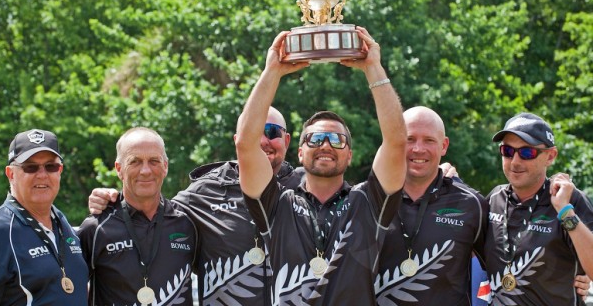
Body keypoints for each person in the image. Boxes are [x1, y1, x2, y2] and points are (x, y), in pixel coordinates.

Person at [235, 27, 406, 304]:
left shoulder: (369, 202)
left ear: (349, 155)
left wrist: (374, 68)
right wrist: (272, 72)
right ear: (300, 152)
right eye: (315, 138)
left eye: (337, 140)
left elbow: (397, 142)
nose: (326, 145)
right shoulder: (277, 205)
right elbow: (245, 144)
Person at [86, 108, 303, 305]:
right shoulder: (202, 195)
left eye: (272, 132)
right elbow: (151, 205)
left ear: (286, 140)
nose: (263, 140)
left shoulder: (306, 191)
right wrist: (108, 198)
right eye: (254, 133)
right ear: (239, 140)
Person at [374, 106, 488, 305]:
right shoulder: (366, 199)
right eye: (410, 139)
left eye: (429, 140)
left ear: (444, 145)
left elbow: (507, 271)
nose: (418, 149)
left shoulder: (472, 205)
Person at [78, 127, 198, 305]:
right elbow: (69, 289)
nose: (146, 171)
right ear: (119, 169)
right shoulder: (95, 228)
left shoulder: (188, 223)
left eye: (154, 161)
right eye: (135, 161)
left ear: (165, 167)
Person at [485, 112, 593, 305]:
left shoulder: (570, 199)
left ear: (550, 156)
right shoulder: (494, 199)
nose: (515, 161)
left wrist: (565, 212)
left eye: (527, 152)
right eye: (508, 151)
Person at [0, 129, 88, 304]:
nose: (42, 175)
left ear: (60, 171)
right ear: (11, 174)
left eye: (51, 166)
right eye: (31, 167)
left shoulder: (63, 223)